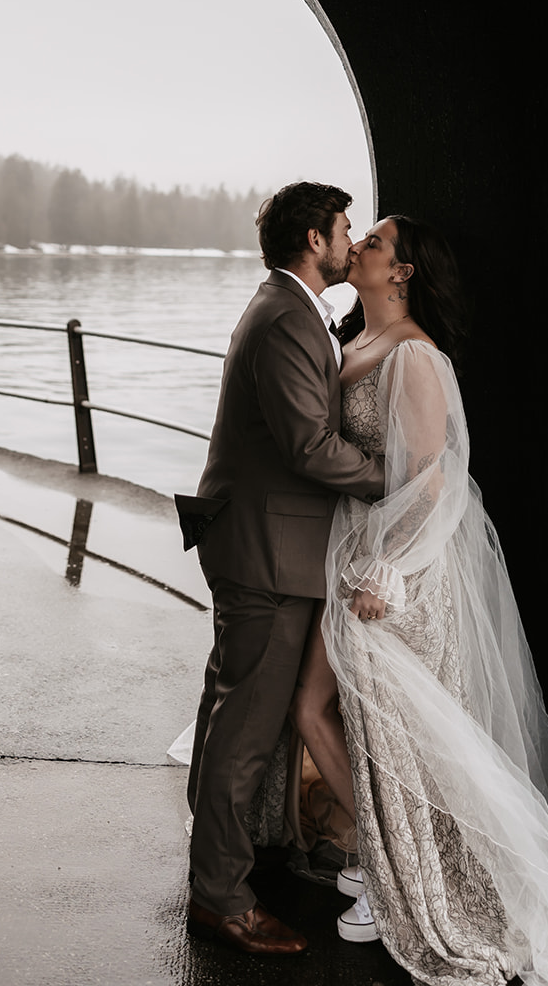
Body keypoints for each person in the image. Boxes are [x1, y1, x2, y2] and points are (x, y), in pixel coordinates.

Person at [291, 214, 548, 986]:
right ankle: (380, 865)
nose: (358, 244)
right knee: (322, 711)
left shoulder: (417, 358)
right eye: (358, 237)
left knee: (403, 734)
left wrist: (390, 571)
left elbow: (433, 478)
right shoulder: (352, 341)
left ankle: (406, 882)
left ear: (400, 273)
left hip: (403, 573)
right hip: (357, 550)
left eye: (375, 242)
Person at [174, 181, 387, 957]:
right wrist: (391, 478)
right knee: (246, 727)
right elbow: (307, 447)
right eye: (342, 229)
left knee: (229, 710)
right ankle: (221, 899)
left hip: (260, 542)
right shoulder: (284, 321)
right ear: (312, 239)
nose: (350, 240)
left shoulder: (289, 310)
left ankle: (217, 863)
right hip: (269, 552)